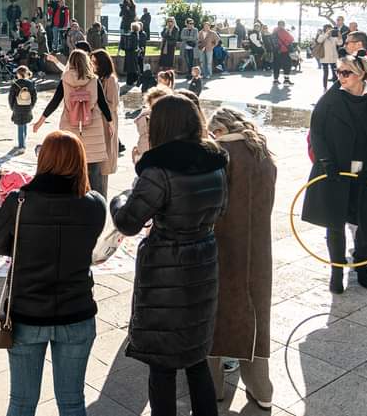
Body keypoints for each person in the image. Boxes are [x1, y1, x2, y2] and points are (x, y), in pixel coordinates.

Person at [110, 95, 229, 416]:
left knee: (162, 365)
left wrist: (120, 198)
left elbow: (128, 221)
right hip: (203, 265)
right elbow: (221, 209)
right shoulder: (216, 162)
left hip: (166, 269)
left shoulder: (158, 168)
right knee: (196, 358)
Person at [0, 130, 106, 416]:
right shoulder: (94, 204)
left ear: (43, 160)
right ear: (79, 161)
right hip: (76, 311)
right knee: (72, 401)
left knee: (22, 401)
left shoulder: (19, 201)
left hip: (27, 313)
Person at [301, 52, 367, 294]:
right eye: (338, 72)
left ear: (361, 74)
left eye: (345, 72)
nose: (339, 76)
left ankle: (361, 263)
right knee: (334, 223)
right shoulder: (328, 101)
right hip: (334, 171)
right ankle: (336, 270)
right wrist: (326, 161)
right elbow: (317, 132)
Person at [206, 108, 276, 410]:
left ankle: (214, 389)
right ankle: (262, 389)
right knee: (257, 319)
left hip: (222, 246)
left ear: (218, 130)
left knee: (217, 318)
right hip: (259, 248)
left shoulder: (218, 155)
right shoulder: (263, 152)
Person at [33, 50, 114, 196]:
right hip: (93, 129)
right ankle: (97, 206)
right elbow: (103, 104)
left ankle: (72, 202)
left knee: (70, 166)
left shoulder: (65, 80)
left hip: (70, 129)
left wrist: (40, 121)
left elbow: (55, 101)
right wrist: (110, 123)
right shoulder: (94, 80)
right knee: (94, 171)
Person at [91, 49, 121, 186]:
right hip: (98, 121)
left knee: (105, 160)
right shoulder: (98, 78)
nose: (92, 65)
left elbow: (113, 104)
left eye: (94, 62)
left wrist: (96, 101)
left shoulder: (110, 79)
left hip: (107, 121)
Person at [132, 86, 171, 164]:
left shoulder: (173, 119)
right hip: (149, 161)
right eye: (155, 106)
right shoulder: (144, 120)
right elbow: (144, 143)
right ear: (150, 105)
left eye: (161, 104)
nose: (158, 108)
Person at [8, 65, 38, 153]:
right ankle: (23, 142)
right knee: (24, 124)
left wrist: (12, 107)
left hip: (17, 107)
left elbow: (11, 97)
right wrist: (31, 106)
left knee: (20, 125)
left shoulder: (15, 84)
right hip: (28, 107)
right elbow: (34, 97)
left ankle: (21, 146)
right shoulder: (30, 83)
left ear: (18, 74)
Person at [315, 25, 342, 91]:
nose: (330, 30)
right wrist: (327, 34)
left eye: (330, 29)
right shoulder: (322, 36)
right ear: (325, 30)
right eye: (328, 29)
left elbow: (340, 43)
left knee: (334, 73)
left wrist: (340, 37)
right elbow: (319, 41)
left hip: (333, 58)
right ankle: (325, 87)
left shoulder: (333, 38)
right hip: (324, 58)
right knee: (325, 73)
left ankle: (335, 87)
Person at [269, 21, 294, 85]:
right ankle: (286, 80)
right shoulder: (284, 31)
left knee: (276, 66)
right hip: (284, 51)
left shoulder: (274, 31)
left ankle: (275, 80)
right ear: (283, 25)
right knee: (287, 65)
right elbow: (291, 39)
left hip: (276, 51)